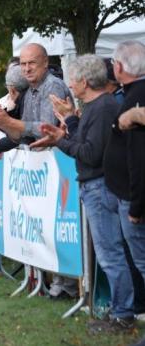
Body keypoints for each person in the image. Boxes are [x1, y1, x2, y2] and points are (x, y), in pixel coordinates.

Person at [29, 55, 132, 333]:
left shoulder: (101, 108)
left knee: (110, 254)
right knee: (111, 254)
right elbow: (87, 146)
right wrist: (70, 124)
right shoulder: (99, 107)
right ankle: (120, 310)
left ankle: (122, 314)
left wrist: (60, 139)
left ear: (84, 82)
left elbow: (89, 153)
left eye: (72, 80)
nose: (69, 86)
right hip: (100, 186)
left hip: (100, 188)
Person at [0, 43, 76, 298]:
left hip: (57, 167)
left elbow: (45, 127)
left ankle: (65, 285)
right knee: (40, 227)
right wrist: (1, 121)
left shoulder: (53, 86)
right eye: (22, 64)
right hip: (36, 169)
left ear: (45, 63)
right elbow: (20, 134)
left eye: (32, 63)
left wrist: (10, 122)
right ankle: (49, 281)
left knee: (58, 228)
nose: (27, 68)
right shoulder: (29, 90)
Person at [103, 41, 145, 314]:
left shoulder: (135, 98)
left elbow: (139, 158)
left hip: (133, 199)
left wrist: (136, 204)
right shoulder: (133, 96)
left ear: (118, 67)